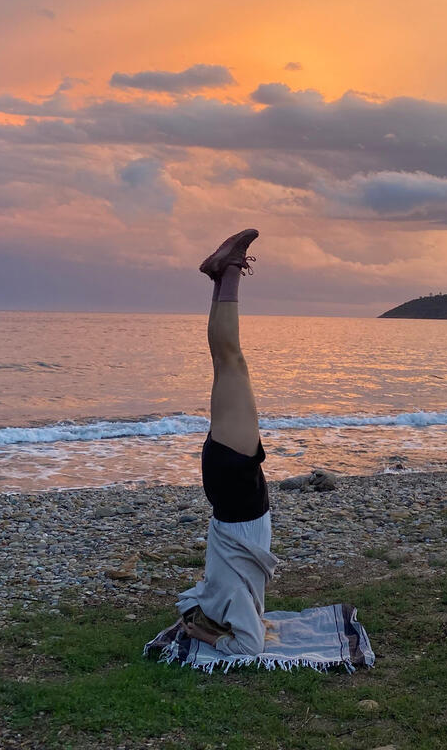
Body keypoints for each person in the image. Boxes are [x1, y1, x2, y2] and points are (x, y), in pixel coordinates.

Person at [175, 228, 279, 655]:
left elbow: (250, 648)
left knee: (233, 361)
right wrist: (200, 622)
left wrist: (205, 635)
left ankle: (230, 268)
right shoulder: (216, 593)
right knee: (225, 362)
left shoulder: (231, 600)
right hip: (225, 489)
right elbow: (192, 601)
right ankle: (221, 276)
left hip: (237, 491)